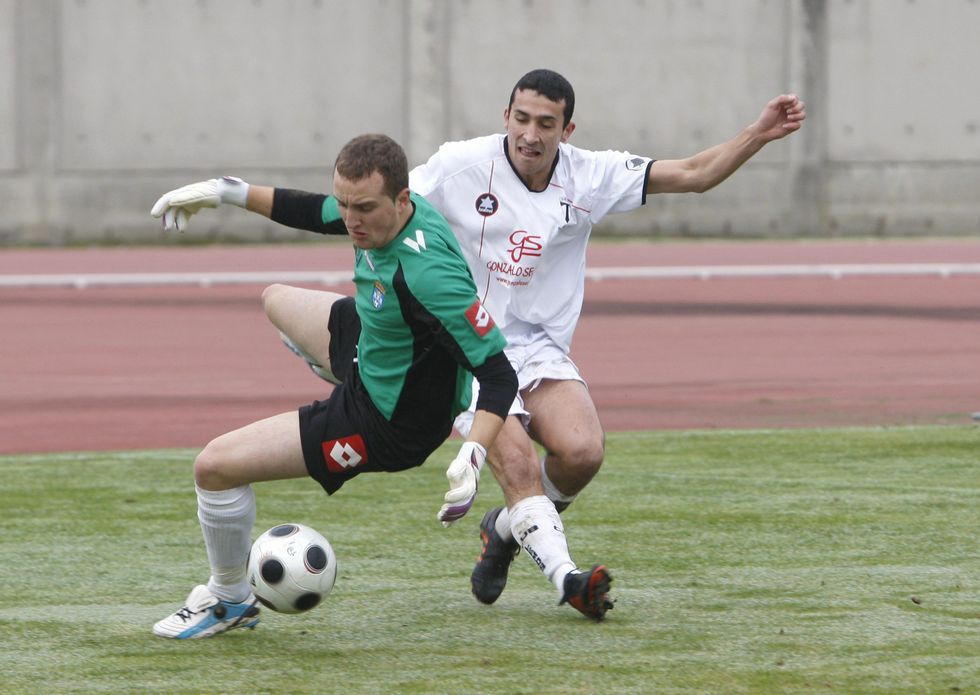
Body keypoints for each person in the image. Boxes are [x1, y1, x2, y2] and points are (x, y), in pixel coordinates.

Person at [155, 70, 806, 622]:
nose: (530, 133)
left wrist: (757, 133)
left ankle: (503, 529)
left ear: (566, 131)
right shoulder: (461, 166)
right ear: (506, 117)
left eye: (546, 123)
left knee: (582, 452)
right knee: (514, 460)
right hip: (458, 347)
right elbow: (355, 208)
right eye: (521, 118)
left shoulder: (592, 175)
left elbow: (693, 173)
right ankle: (568, 578)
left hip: (540, 346)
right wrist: (226, 190)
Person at [148, 134, 527, 639]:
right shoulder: (373, 217)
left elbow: (500, 376)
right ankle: (336, 365)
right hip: (373, 343)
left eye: (364, 208)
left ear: (402, 199)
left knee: (214, 467)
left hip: (383, 423)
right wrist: (225, 191)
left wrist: (474, 453)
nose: (351, 221)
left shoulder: (428, 277)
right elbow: (312, 211)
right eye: (346, 204)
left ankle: (227, 598)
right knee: (276, 299)